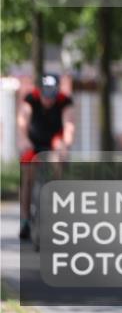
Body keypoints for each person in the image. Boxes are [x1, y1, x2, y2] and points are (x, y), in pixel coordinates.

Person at [18, 73, 75, 241]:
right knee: (27, 174)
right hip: (33, 142)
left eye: (52, 95)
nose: (48, 99)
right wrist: (23, 140)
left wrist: (66, 144)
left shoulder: (64, 101)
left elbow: (69, 126)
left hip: (54, 142)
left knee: (59, 161)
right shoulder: (31, 99)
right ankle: (26, 219)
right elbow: (22, 123)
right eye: (46, 94)